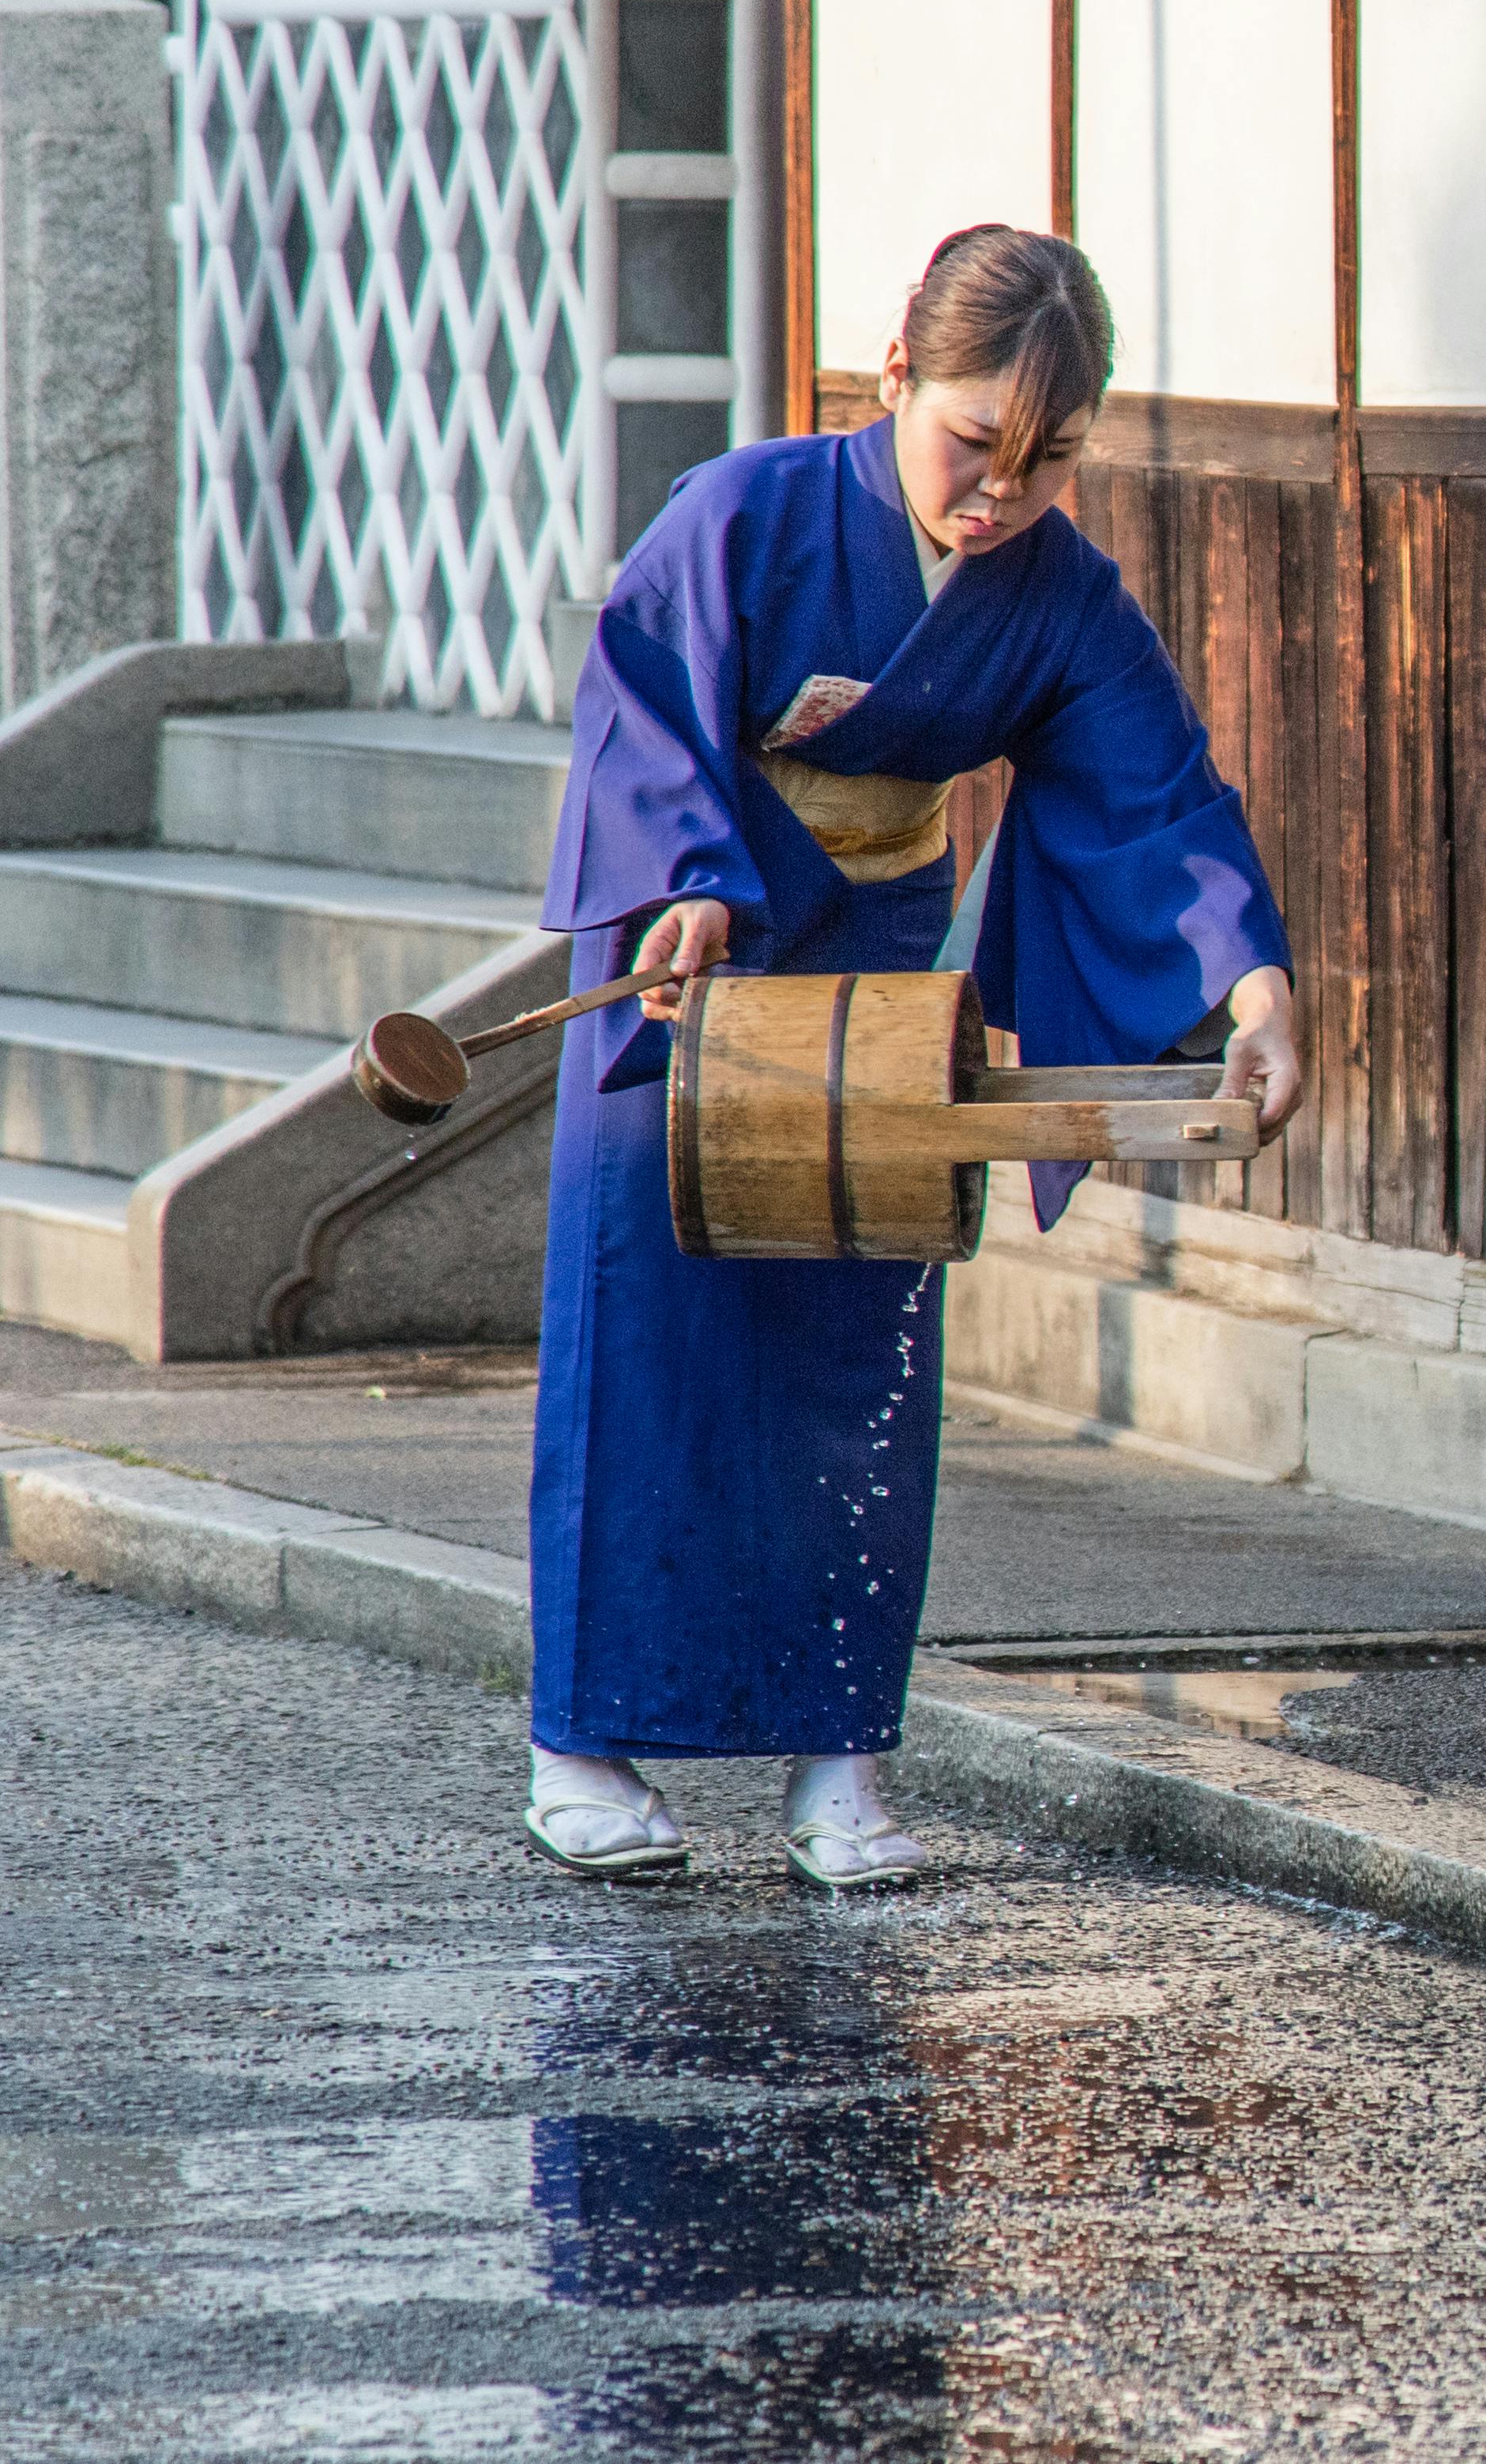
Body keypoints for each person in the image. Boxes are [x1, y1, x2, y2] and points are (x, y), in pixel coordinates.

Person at [521, 225, 1301, 1887]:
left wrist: (1248, 985)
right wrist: (686, 883)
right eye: (969, 444)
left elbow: (1153, 797)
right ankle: (580, 1744)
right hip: (687, 936)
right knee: (645, 1329)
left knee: (854, 1352)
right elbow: (640, 702)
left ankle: (841, 1764)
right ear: (891, 378)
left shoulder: (1060, 597)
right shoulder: (742, 509)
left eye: (1047, 463)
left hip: (874, 944)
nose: (995, 498)